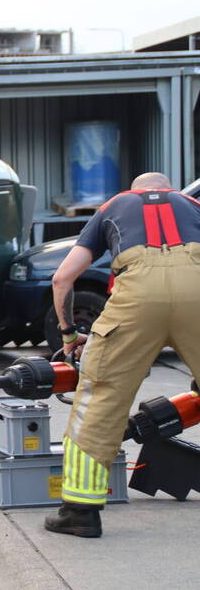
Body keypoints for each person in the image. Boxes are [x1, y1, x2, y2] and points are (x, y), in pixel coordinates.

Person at [44, 171, 200, 538]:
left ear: (135, 191)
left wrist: (69, 335)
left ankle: (80, 513)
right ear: (168, 190)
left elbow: (62, 279)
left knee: (99, 400)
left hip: (135, 300)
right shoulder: (194, 206)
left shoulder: (113, 206)